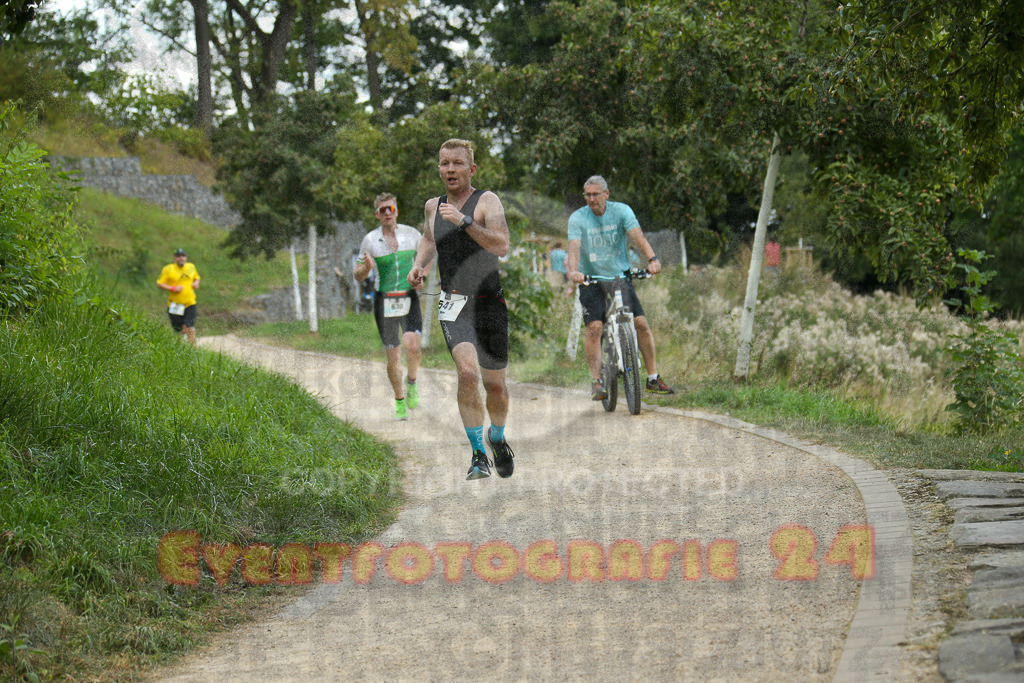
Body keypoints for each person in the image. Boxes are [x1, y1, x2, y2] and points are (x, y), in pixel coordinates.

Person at [407, 139, 515, 481]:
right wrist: (420, 265)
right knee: (467, 374)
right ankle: (478, 455)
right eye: (444, 163)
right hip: (453, 302)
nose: (450, 169)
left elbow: (502, 245)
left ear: (472, 169)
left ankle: (496, 438)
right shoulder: (432, 206)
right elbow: (428, 238)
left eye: (457, 163)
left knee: (494, 386)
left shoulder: (487, 202)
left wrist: (465, 221)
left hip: (489, 304)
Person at [566, 175, 675, 399]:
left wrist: (652, 259)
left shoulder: (622, 211)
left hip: (619, 278)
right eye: (588, 195)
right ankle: (597, 381)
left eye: (596, 194)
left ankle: (653, 378)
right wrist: (574, 272)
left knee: (641, 323)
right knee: (595, 328)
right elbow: (574, 246)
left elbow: (637, 236)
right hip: (591, 279)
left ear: (606, 194)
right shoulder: (578, 218)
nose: (591, 199)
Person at [355, 193, 424, 421]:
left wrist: (421, 273)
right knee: (393, 355)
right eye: (382, 210)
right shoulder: (370, 240)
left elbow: (427, 255)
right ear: (376, 214)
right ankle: (400, 400)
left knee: (413, 345)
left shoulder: (412, 234)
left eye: (390, 209)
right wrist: (366, 268)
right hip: (384, 300)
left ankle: (411, 382)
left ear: (396, 211)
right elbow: (357, 275)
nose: (387, 213)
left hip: (408, 296)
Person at [156, 248, 200, 345]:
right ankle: (180, 349)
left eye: (183, 256)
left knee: (190, 328)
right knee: (179, 330)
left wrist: (196, 283)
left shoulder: (191, 266)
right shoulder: (168, 269)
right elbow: (159, 284)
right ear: (174, 258)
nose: (181, 258)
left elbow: (196, 277)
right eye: (178, 256)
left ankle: (193, 350)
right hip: (175, 305)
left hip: (190, 303)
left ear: (186, 258)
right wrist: (173, 288)